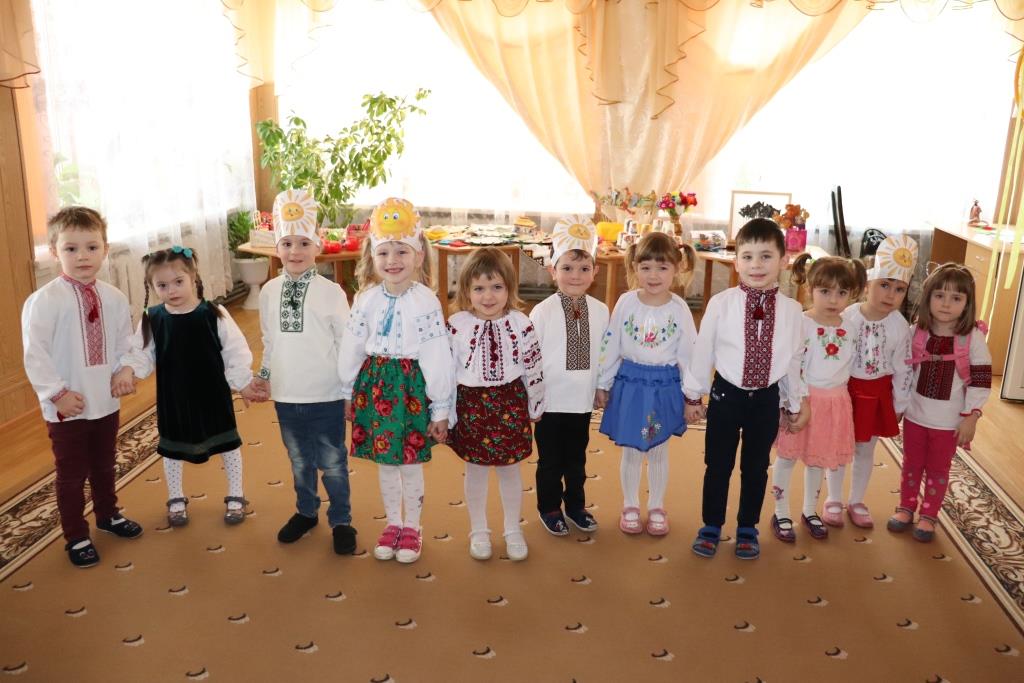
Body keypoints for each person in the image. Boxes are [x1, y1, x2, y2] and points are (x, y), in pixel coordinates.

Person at [22, 207, 143, 567]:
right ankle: (75, 534)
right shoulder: (44, 301)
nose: (82, 256)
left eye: (91, 247)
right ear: (53, 252)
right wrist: (57, 394)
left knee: (105, 464)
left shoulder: (114, 297)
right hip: (66, 406)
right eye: (71, 248)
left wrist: (124, 371)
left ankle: (108, 514)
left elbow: (125, 344)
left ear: (106, 249)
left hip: (104, 400)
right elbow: (35, 354)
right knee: (72, 473)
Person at [337, 197, 454, 564]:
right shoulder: (365, 299)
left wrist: (441, 407)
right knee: (386, 461)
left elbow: (437, 354)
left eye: (402, 251)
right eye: (384, 252)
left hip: (410, 390)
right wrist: (346, 390)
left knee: (410, 462)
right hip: (375, 388)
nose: (393, 260)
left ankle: (413, 526)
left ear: (418, 256)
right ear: (373, 256)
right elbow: (352, 346)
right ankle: (393, 522)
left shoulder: (426, 301)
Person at [684, 218, 807, 560]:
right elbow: (703, 351)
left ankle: (747, 527)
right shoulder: (721, 303)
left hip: (766, 400)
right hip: (726, 395)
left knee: (756, 467)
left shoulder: (793, 311)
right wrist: (693, 395)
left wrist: (793, 402)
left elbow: (793, 359)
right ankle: (711, 525)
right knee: (718, 464)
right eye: (748, 256)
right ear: (736, 262)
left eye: (766, 256)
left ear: (784, 260)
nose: (756, 265)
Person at [116, 247, 262, 528]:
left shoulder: (214, 313)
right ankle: (176, 497)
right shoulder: (152, 317)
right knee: (172, 447)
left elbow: (235, 351)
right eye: (162, 285)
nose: (171, 290)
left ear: (193, 277)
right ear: (152, 287)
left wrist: (243, 383)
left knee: (227, 443)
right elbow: (141, 352)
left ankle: (235, 494)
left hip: (212, 394)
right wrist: (129, 371)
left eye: (178, 282)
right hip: (174, 397)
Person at [251, 189, 357, 554]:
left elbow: (346, 343)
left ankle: (341, 520)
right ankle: (306, 511)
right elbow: (269, 340)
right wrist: (264, 375)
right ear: (276, 247)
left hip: (326, 394)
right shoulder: (269, 292)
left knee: (333, 463)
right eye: (286, 243)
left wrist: (349, 390)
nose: (294, 251)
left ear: (317, 246)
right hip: (287, 394)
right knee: (299, 461)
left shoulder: (332, 292)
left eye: (303, 243)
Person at [596, 232, 698, 537]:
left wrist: (692, 396)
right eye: (646, 267)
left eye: (662, 267)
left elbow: (689, 353)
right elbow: (611, 344)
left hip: (664, 387)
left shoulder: (679, 308)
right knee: (631, 450)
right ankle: (630, 504)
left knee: (658, 450)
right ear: (634, 267)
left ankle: (656, 506)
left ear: (677, 268)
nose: (654, 275)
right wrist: (603, 382)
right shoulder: (626, 302)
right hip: (630, 385)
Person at [447, 248, 544, 561]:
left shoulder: (521, 323)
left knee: (510, 470)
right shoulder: (456, 325)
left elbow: (533, 366)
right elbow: (447, 372)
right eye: (479, 288)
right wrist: (446, 413)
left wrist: (536, 404)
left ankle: (512, 529)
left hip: (509, 404)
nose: (488, 296)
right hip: (471, 406)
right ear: (466, 291)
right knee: (475, 471)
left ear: (510, 289)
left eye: (497, 287)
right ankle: (479, 530)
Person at [888, 263, 991, 542]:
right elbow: (904, 372)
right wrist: (899, 406)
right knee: (911, 464)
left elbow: (981, 380)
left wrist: (971, 417)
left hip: (949, 423)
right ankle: (906, 506)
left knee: (938, 469)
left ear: (967, 303)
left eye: (956, 298)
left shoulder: (972, 338)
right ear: (928, 297)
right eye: (940, 296)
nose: (946, 304)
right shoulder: (916, 332)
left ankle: (929, 514)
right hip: (915, 416)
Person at [824, 235, 917, 529]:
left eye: (899, 289)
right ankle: (833, 499)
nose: (891, 295)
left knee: (866, 449)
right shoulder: (847, 316)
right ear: (867, 285)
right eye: (884, 285)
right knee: (839, 445)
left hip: (877, 394)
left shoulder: (900, 326)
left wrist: (900, 403)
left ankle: (856, 500)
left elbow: (903, 368)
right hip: (845, 391)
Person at [771, 255, 866, 542]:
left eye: (842, 292)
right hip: (803, 401)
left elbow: (851, 365)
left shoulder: (851, 327)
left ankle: (810, 510)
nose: (833, 299)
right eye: (825, 291)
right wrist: (790, 403)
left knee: (819, 460)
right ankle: (781, 511)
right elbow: (790, 365)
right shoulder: (801, 323)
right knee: (787, 457)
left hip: (835, 404)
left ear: (852, 294)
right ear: (810, 288)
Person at [530, 217, 609, 536]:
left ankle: (576, 505)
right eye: (567, 268)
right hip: (550, 402)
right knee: (550, 461)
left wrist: (602, 385)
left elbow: (605, 354)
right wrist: (532, 396)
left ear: (595, 271)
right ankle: (549, 508)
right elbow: (530, 358)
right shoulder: (542, 311)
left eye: (584, 268)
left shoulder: (601, 310)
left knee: (577, 460)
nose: (575, 276)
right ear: (553, 270)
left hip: (581, 402)